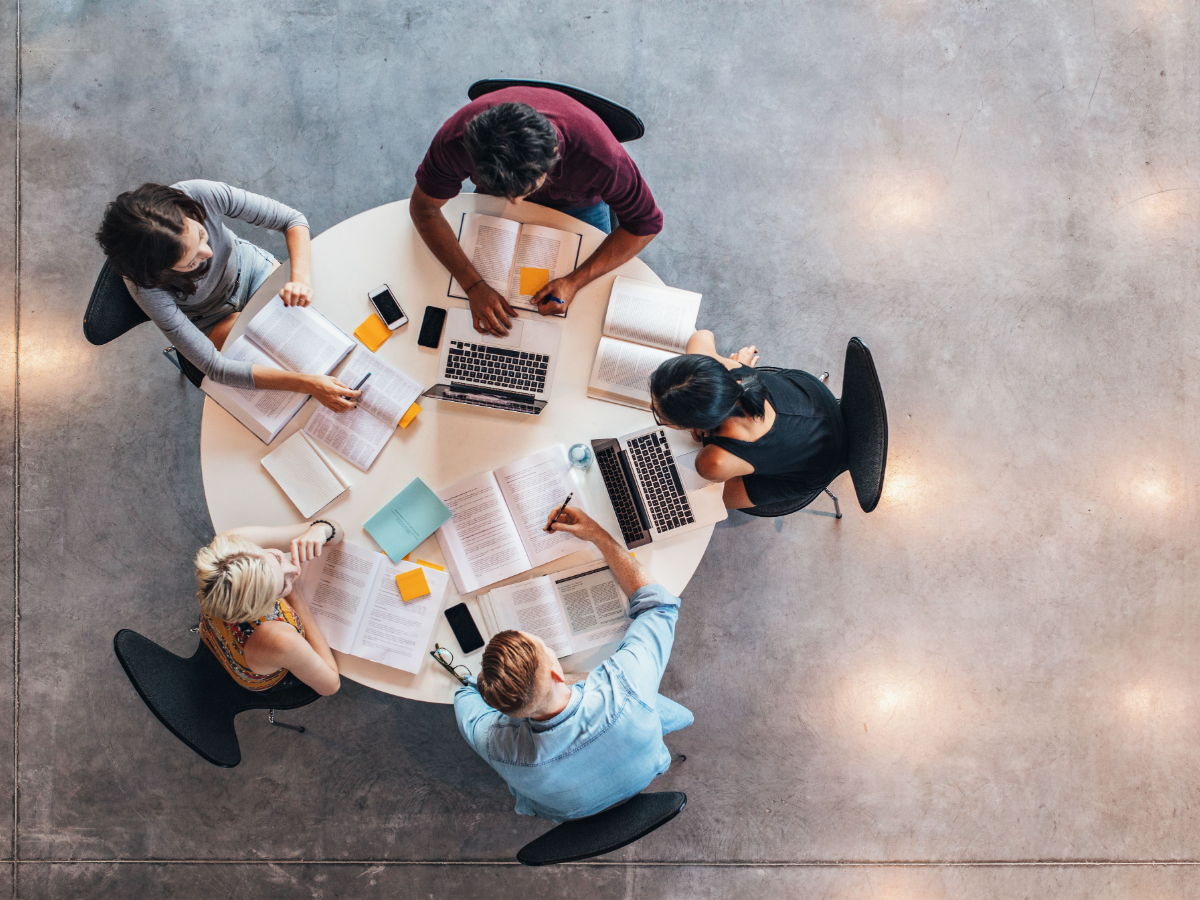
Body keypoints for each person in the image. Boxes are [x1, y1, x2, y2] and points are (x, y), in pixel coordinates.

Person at [453, 506, 692, 822]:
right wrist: (598, 535)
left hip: (570, 813)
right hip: (645, 769)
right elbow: (659, 606)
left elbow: (464, 696)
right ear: (556, 672)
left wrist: (483, 684)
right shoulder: (624, 689)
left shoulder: (495, 744)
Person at [410, 87, 664, 337]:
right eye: (508, 193)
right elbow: (424, 209)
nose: (516, 203)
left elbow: (646, 225)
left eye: (524, 190)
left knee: (586, 309)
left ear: (554, 155)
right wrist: (473, 284)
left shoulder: (602, 159)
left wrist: (575, 281)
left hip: (580, 203)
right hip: (499, 197)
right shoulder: (456, 139)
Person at [95, 180, 361, 412]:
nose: (208, 253)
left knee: (326, 326)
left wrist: (300, 279)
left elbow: (292, 220)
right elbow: (216, 367)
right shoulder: (145, 286)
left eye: (202, 234)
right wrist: (307, 384)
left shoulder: (198, 194)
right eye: (191, 262)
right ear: (159, 273)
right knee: (280, 369)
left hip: (253, 272)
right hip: (209, 317)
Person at [649, 330, 848, 510]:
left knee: (703, 501)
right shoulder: (723, 368)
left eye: (660, 417)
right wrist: (740, 367)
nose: (650, 407)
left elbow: (713, 464)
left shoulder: (713, 462)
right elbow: (701, 336)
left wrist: (707, 434)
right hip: (814, 399)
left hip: (818, 465)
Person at [194, 520, 343, 695]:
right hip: (260, 672)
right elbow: (331, 685)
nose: (294, 569)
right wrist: (296, 597)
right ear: (263, 609)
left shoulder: (232, 546)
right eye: (283, 586)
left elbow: (336, 530)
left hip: (214, 632)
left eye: (278, 558)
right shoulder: (280, 639)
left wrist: (322, 530)